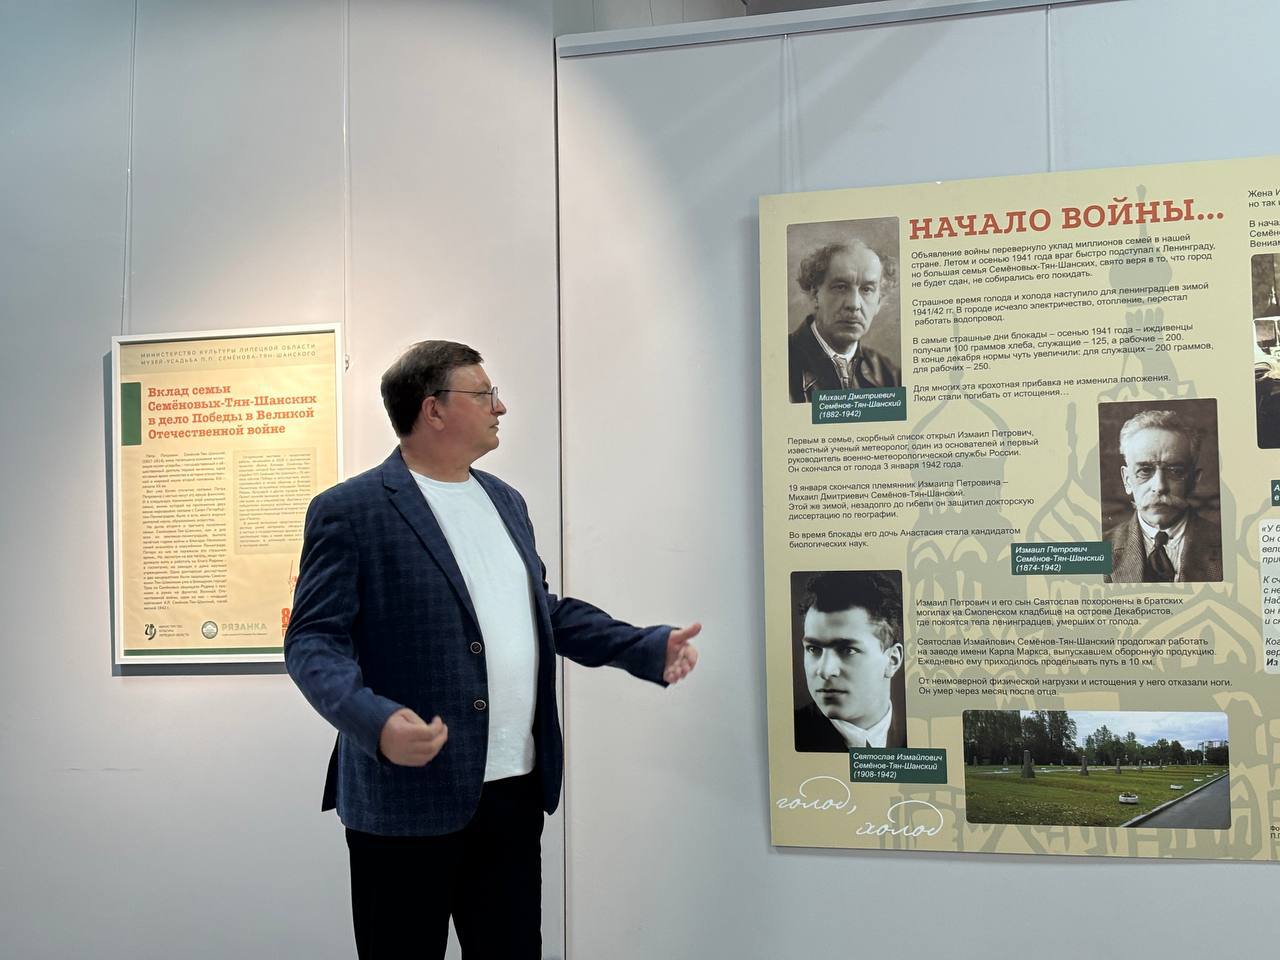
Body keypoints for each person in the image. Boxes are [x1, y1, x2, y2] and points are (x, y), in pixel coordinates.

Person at [284, 340, 700, 959]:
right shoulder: (351, 510)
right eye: (483, 394)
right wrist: (375, 722)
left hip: (512, 791)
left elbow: (541, 613)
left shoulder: (506, 500)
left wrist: (642, 647)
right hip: (406, 798)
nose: (499, 407)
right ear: (433, 409)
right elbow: (313, 640)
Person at [1104, 408, 1222, 583]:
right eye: (1145, 471)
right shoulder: (1101, 549)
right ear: (1127, 480)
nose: (1159, 487)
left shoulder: (1227, 544)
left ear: (1194, 480)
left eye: (1175, 471)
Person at [793, 571, 905, 751]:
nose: (825, 670)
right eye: (813, 649)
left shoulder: (922, 732)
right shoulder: (789, 735)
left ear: (893, 660)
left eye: (848, 650)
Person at [788, 239, 900, 402]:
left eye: (867, 289)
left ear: (879, 302)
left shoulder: (889, 375)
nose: (853, 304)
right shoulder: (780, 362)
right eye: (840, 287)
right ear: (815, 293)